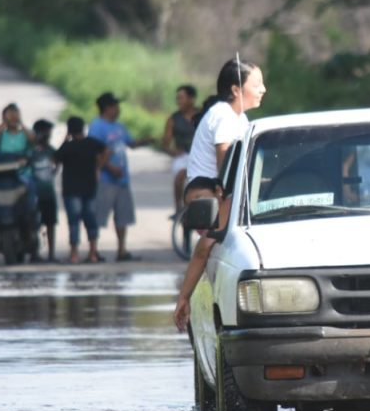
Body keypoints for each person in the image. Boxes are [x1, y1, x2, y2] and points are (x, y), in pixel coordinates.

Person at [88, 92, 154, 261]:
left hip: (122, 179)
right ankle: (93, 250)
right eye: (115, 106)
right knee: (98, 216)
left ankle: (121, 250)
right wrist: (110, 168)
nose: (118, 109)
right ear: (107, 108)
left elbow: (130, 143)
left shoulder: (119, 126)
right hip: (106, 179)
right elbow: (94, 152)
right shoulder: (97, 126)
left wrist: (147, 140)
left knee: (122, 217)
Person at [186, 59, 266, 184]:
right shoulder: (223, 116)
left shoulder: (240, 117)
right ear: (236, 90)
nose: (263, 89)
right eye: (257, 85)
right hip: (208, 190)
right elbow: (226, 172)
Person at [172, 177, 233, 332]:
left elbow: (202, 250)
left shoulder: (230, 203)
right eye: (193, 207)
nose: (199, 210)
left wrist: (183, 298)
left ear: (219, 191)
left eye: (200, 200)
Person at [55, 116, 108, 264]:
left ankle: (74, 254)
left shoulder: (67, 146)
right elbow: (106, 150)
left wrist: (66, 139)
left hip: (71, 190)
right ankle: (92, 253)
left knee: (74, 222)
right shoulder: (91, 143)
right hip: (89, 188)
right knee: (91, 220)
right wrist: (99, 167)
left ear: (69, 129)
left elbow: (55, 158)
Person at [161, 84, 199, 215]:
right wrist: (173, 152)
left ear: (191, 99)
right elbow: (165, 144)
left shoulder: (202, 115)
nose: (179, 101)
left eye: (181, 98)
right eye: (178, 98)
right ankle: (178, 208)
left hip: (200, 155)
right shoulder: (173, 119)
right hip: (183, 156)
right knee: (179, 178)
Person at [30, 119, 58, 262]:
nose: (48, 136)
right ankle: (34, 253)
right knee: (34, 224)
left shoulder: (50, 150)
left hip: (48, 193)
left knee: (51, 223)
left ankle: (51, 254)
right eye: (46, 133)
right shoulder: (30, 151)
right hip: (34, 194)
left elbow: (57, 163)